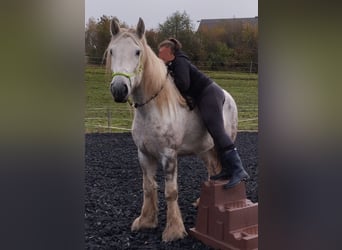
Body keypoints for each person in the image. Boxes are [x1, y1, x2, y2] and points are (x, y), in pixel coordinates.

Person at [158, 38, 249, 189]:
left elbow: (183, 84)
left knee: (216, 130)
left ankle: (238, 169)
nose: (159, 55)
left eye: (161, 53)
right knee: (214, 130)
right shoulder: (173, 63)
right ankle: (226, 170)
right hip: (202, 95)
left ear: (170, 52)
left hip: (208, 93)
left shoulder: (180, 62)